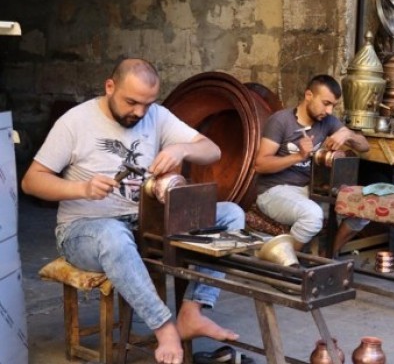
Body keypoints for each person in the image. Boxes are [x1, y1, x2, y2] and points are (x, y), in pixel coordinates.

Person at [21, 58, 245, 364]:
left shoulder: (157, 116)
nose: (139, 112)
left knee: (231, 215)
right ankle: (165, 328)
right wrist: (82, 189)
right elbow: (31, 181)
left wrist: (181, 149)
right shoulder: (75, 122)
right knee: (113, 236)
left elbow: (212, 150)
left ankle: (192, 312)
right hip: (84, 230)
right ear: (110, 86)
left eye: (147, 103)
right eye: (131, 102)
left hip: (144, 224)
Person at [253, 74, 370, 254]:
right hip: (273, 191)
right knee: (312, 216)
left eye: (333, 105)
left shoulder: (327, 120)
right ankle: (284, 266)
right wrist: (298, 156)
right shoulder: (281, 121)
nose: (330, 111)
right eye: (326, 103)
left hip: (310, 190)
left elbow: (365, 146)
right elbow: (260, 164)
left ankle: (328, 256)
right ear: (309, 95)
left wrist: (348, 135)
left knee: (364, 208)